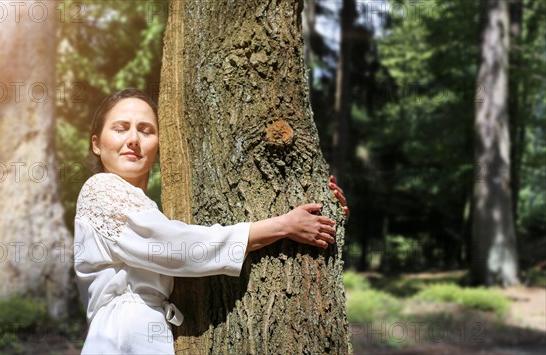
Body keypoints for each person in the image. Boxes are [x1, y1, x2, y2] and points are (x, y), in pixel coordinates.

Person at [74, 88, 349, 354]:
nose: (134, 139)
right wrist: (283, 226)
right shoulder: (99, 189)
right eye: (121, 128)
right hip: (121, 338)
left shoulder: (149, 207)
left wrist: (323, 204)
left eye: (146, 130)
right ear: (97, 144)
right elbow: (177, 245)